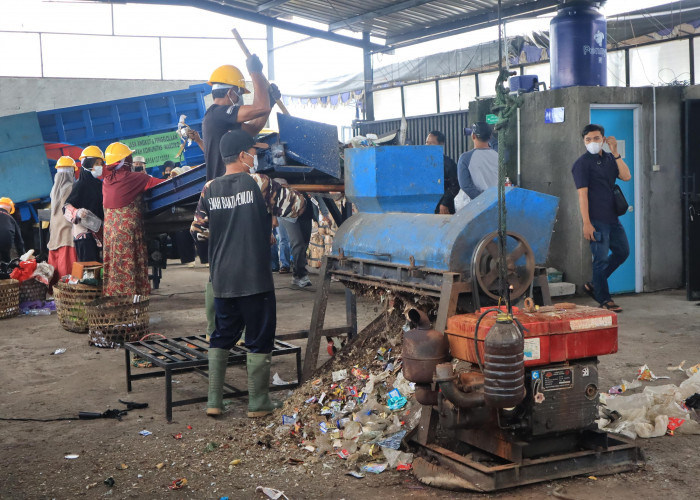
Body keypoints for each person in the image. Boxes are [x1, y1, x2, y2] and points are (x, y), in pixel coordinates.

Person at [190, 129, 306, 418]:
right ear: (242, 155)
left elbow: (198, 232)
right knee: (258, 337)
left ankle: (214, 401)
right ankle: (258, 402)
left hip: (222, 279)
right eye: (254, 152)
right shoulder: (260, 183)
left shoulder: (209, 188)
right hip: (254, 278)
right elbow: (298, 207)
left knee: (221, 335)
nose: (256, 156)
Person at [572, 124, 631, 313]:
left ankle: (594, 284)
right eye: (588, 139)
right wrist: (587, 223)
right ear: (584, 141)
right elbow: (582, 195)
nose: (592, 142)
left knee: (623, 252)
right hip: (596, 220)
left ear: (603, 139)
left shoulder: (609, 159)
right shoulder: (581, 164)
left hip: (613, 217)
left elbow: (626, 176)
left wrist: (615, 152)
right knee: (600, 259)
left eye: (596, 138)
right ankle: (604, 299)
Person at [102, 142, 165, 297]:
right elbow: (163, 185)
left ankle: (115, 299)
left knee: (115, 266)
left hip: (110, 233)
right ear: (126, 160)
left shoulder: (106, 181)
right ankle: (132, 302)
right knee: (129, 265)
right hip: (127, 233)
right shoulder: (136, 178)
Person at [203, 56, 279, 182]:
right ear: (231, 92)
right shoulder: (216, 114)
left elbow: (253, 129)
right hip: (224, 186)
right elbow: (260, 107)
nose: (238, 100)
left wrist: (269, 103)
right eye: (239, 95)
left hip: (229, 184)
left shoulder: (222, 120)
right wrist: (255, 72)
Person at [277, 179, 331, 288]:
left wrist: (325, 214)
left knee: (304, 244)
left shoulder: (310, 176)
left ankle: (296, 275)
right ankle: (302, 275)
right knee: (298, 243)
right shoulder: (283, 173)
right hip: (289, 214)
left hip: (307, 213)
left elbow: (318, 196)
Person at [65, 146, 105, 262]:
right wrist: (77, 212)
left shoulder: (99, 184)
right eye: (96, 163)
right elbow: (66, 207)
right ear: (87, 164)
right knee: (89, 268)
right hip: (85, 235)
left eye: (101, 163)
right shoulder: (80, 185)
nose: (100, 167)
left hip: (99, 232)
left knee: (99, 265)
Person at [455, 122, 499, 211]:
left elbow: (466, 186)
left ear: (473, 136)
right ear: (490, 137)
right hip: (494, 202)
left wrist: (483, 201)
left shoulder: (465, 158)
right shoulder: (498, 155)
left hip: (474, 207)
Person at [47, 156, 78, 278]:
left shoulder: (54, 190)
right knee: (68, 273)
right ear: (72, 172)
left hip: (55, 236)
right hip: (67, 237)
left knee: (57, 275)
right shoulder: (71, 188)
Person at [426, 131, 459, 214]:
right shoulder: (422, 163)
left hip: (443, 207)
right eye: (427, 142)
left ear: (440, 144)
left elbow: (455, 186)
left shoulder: (449, 164)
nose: (428, 146)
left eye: (432, 143)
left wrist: (445, 203)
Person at [0, 197, 24, 263]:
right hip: (5, 244)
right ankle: (6, 267)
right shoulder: (11, 218)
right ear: (10, 209)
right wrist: (22, 257)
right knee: (5, 263)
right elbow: (19, 241)